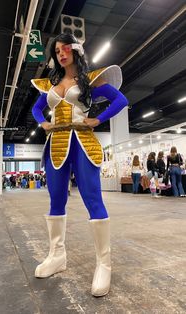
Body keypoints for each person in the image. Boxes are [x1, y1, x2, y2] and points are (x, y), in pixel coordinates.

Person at [31, 33, 128, 297]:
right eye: (56, 51)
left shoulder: (89, 80)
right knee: (56, 199)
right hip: (56, 144)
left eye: (64, 49)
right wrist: (42, 123)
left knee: (92, 198)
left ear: (75, 50)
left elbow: (120, 100)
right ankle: (56, 256)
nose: (60, 54)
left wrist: (98, 119)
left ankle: (104, 264)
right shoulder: (50, 85)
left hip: (83, 143)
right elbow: (37, 109)